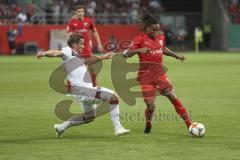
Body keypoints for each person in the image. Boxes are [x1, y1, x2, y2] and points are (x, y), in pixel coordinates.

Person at [36, 34, 130, 137]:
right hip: (84, 90)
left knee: (89, 117)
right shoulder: (68, 51)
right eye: (81, 44)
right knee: (113, 97)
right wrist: (44, 53)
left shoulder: (77, 56)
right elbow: (55, 53)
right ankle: (118, 128)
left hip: (83, 91)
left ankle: (62, 127)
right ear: (74, 44)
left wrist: (105, 56)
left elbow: (88, 61)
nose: (83, 46)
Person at [122, 14, 192, 134]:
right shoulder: (139, 39)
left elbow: (164, 49)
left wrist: (177, 56)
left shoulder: (161, 38)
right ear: (147, 28)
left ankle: (190, 126)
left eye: (158, 29)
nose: (156, 32)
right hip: (145, 78)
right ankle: (148, 123)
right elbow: (125, 54)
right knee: (151, 107)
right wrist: (139, 50)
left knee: (173, 97)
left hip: (160, 76)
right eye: (154, 29)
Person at [67, 5, 103, 87]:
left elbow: (94, 31)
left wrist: (99, 43)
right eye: (79, 11)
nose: (80, 13)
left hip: (86, 48)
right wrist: (69, 47)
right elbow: (69, 35)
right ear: (76, 13)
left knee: (91, 68)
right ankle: (70, 87)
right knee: (73, 69)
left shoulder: (89, 21)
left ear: (84, 12)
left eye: (82, 11)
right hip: (76, 49)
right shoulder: (72, 22)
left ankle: (94, 86)